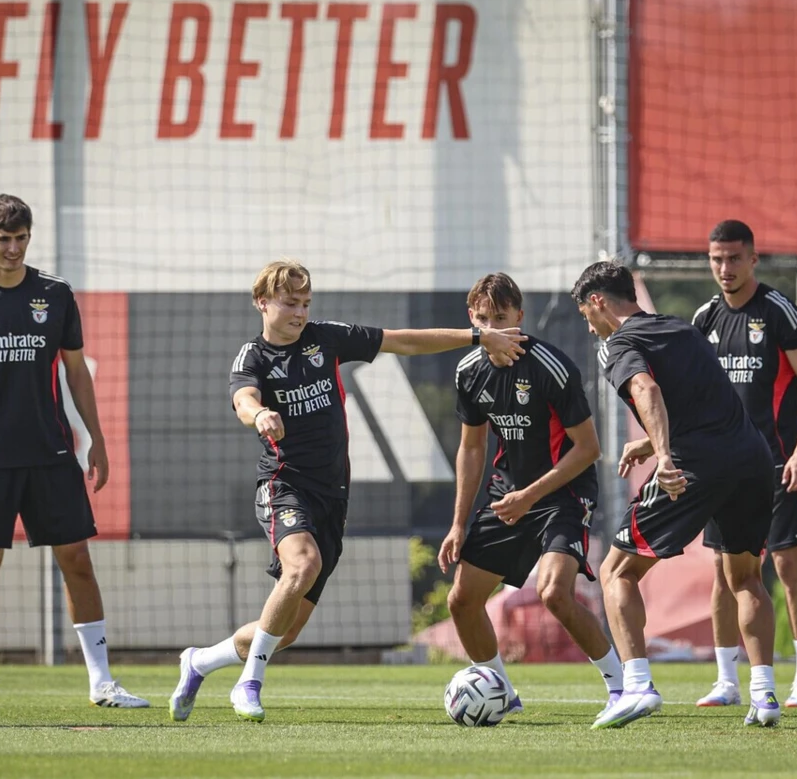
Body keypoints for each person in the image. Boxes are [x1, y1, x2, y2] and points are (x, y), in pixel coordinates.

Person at [170, 259, 528, 723]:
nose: (299, 312)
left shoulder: (326, 337)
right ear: (262, 302)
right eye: (289, 303)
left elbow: (401, 341)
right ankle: (249, 683)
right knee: (302, 565)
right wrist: (258, 415)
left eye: (305, 303)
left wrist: (477, 336)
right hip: (284, 485)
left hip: (332, 499)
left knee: (287, 629)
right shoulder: (252, 356)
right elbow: (244, 398)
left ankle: (198, 662)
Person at [0, 194, 148, 709]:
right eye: (4, 239)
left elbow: (76, 370)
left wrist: (96, 439)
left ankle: (101, 682)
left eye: (22, 238)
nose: (14, 248)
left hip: (51, 453)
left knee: (78, 560)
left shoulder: (56, 294)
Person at [571, 260, 781, 729]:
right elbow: (701, 398)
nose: (589, 326)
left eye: (587, 314)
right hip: (751, 458)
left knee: (616, 571)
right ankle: (765, 696)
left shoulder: (619, 343)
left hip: (695, 465)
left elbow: (645, 389)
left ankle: (638, 685)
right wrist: (650, 441)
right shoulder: (681, 330)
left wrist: (661, 456)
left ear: (599, 302)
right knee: (745, 579)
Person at [440, 273, 624, 715]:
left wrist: (530, 497)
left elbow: (589, 449)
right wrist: (459, 523)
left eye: (502, 318)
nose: (494, 328)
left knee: (554, 592)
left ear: (519, 318)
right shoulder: (469, 371)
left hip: (564, 493)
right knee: (461, 600)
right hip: (508, 498)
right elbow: (471, 447)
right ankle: (501, 691)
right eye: (484, 320)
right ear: (472, 319)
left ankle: (623, 688)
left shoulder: (551, 367)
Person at [691, 219, 797, 709]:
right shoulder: (704, 318)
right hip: (723, 471)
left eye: (733, 258)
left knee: (789, 565)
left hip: (778, 465)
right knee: (722, 573)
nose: (724, 268)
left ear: (753, 258)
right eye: (716, 259)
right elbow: (695, 398)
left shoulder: (779, 314)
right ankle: (727, 680)